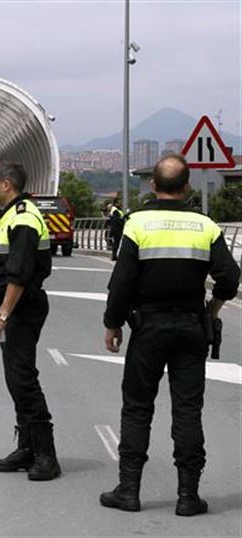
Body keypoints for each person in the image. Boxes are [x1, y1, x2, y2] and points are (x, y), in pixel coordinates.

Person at [100, 154, 239, 516]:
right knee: (188, 410)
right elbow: (230, 277)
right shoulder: (206, 226)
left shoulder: (137, 224)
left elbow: (122, 283)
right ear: (188, 187)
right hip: (193, 327)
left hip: (148, 328)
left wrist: (113, 323)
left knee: (137, 408)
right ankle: (188, 496)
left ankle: (128, 491)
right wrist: (211, 311)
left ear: (153, 185)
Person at [0, 161, 60, 481]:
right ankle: (26, 448)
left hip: (22, 305)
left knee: (23, 378)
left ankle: (45, 455)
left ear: (6, 184)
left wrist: (2, 316)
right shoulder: (9, 215)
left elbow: (20, 274)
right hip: (12, 303)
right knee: (15, 378)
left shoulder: (24, 218)